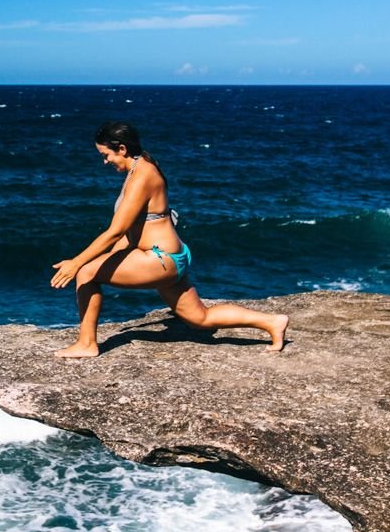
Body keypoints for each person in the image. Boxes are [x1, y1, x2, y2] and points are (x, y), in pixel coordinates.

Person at [50, 121, 289, 357]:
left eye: (106, 155)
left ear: (122, 149)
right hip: (171, 256)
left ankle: (87, 343)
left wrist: (76, 262)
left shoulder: (141, 176)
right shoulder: (143, 166)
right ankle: (272, 322)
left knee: (86, 273)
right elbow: (134, 229)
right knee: (200, 318)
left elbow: (116, 230)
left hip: (159, 258)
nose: (105, 161)